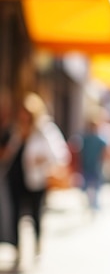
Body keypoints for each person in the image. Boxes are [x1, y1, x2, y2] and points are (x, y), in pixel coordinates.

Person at [0, 92, 70, 261]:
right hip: (16, 178)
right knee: (15, 214)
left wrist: (43, 160)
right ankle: (17, 249)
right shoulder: (17, 130)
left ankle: (37, 247)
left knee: (35, 214)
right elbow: (11, 154)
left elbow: (60, 153)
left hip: (36, 179)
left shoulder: (45, 129)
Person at [75, 118, 108, 210]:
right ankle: (92, 204)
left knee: (94, 185)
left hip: (94, 165)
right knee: (90, 184)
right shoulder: (87, 139)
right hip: (88, 165)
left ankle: (94, 204)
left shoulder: (92, 139)